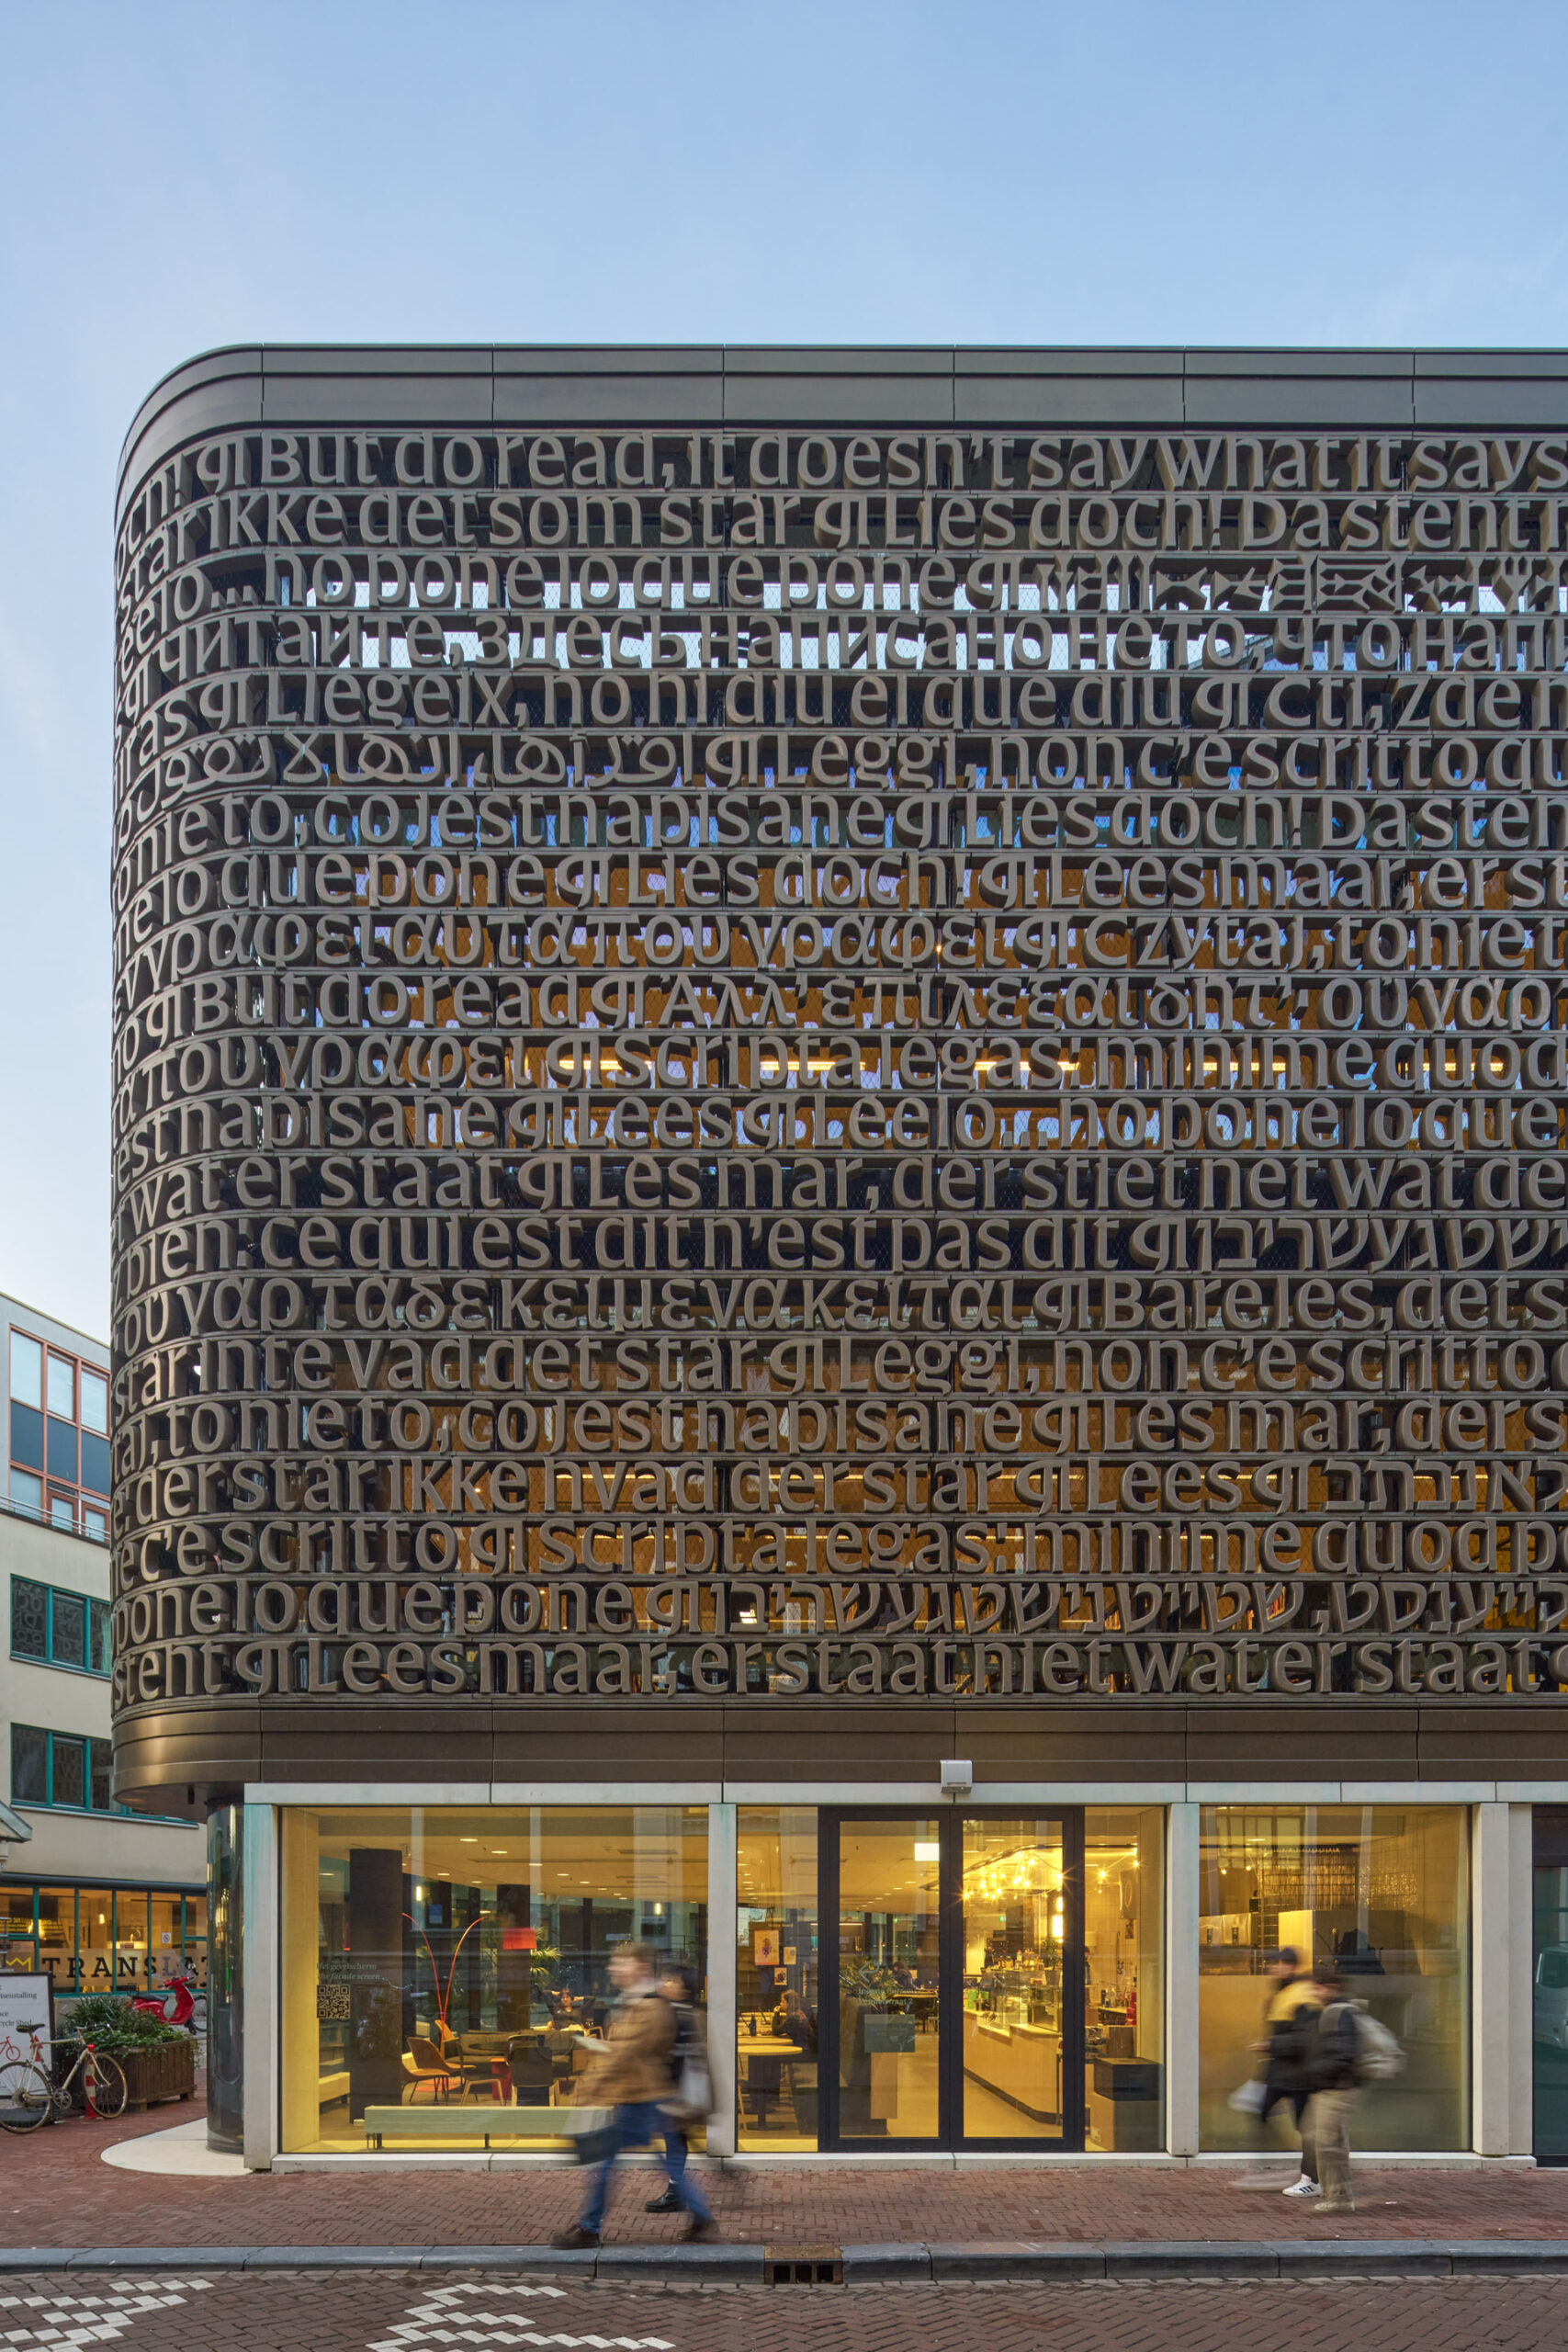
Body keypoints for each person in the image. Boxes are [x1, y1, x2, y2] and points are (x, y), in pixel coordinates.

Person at [551, 1942, 718, 2249]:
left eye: (621, 1962)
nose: (612, 1968)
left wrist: (589, 2087)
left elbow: (626, 2053)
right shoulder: (639, 2001)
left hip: (642, 2096)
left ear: (640, 1967)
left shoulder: (649, 2006)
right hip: (641, 2095)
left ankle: (589, 2227)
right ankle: (700, 2215)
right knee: (655, 2161)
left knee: (608, 2160)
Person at [1235, 1948, 1325, 2196]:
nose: (1270, 1968)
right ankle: (1278, 2168)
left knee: (1305, 2127)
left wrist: (1271, 2045)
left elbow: (1303, 2039)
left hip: (1299, 2073)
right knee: (1260, 2111)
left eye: (1275, 1964)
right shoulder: (1283, 1991)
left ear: (1289, 1965)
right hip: (1282, 2070)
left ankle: (1312, 2177)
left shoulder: (1302, 1994)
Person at [645, 1962, 711, 2217]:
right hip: (680, 2090)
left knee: (672, 2139)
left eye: (671, 1980)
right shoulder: (682, 2011)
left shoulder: (680, 2014)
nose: (665, 1984)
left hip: (679, 2090)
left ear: (683, 1986)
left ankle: (680, 2193)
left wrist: (664, 2091)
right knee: (676, 2139)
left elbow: (676, 2057)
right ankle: (680, 2189)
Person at [1302, 1962, 1362, 2216]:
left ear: (1332, 1987)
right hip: (1330, 2087)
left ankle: (1338, 2198)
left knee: (1329, 2145)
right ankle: (1334, 2194)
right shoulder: (1332, 2012)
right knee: (1324, 2142)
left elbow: (1345, 2053)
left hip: (1337, 2088)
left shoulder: (1341, 2013)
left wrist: (1319, 2071)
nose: (1316, 1992)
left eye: (1320, 1987)